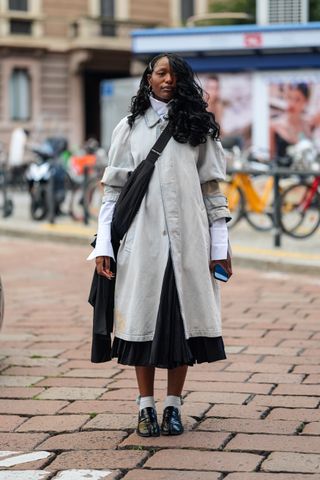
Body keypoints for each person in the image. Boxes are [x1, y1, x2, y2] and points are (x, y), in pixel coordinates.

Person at [88, 53, 232, 437]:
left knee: (181, 328)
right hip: (141, 242)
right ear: (148, 78)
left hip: (189, 245)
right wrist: (104, 244)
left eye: (174, 74)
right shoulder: (129, 128)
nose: (167, 80)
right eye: (160, 72)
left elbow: (213, 191)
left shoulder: (200, 128)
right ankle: (145, 406)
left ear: (184, 80)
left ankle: (173, 406)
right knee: (142, 326)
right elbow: (112, 192)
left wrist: (220, 246)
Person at [269, 83, 312, 161]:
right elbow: (270, 157)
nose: (292, 104)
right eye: (290, 98)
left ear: (305, 101)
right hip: (281, 171)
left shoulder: (307, 125)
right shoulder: (274, 126)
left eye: (297, 99)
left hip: (303, 171)